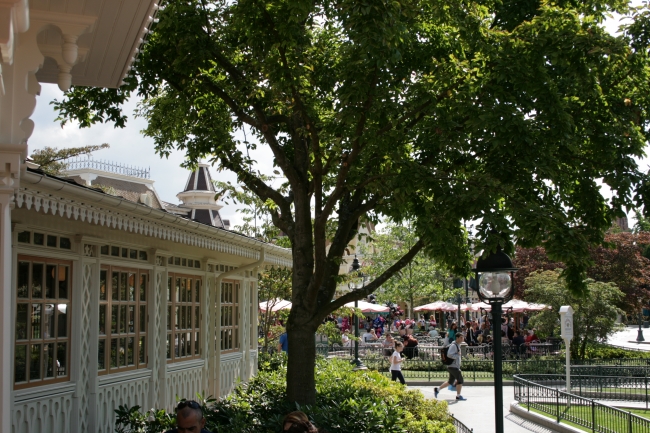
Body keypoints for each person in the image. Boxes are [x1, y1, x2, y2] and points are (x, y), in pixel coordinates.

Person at [434, 333, 467, 401]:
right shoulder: (454, 345)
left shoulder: (457, 345)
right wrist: (457, 356)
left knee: (450, 382)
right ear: (457, 338)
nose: (462, 339)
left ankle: (437, 389)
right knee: (460, 380)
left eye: (462, 337)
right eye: (461, 337)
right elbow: (449, 355)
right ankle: (458, 396)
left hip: (452, 366)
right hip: (453, 366)